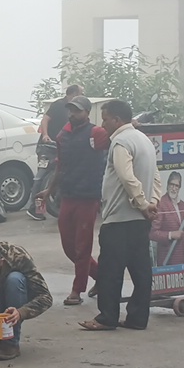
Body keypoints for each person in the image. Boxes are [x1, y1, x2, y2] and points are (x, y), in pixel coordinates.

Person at [83, 100, 159, 330]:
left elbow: (126, 177)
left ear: (117, 119)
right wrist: (151, 203)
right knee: (141, 271)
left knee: (110, 272)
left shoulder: (120, 141)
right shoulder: (144, 140)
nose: (103, 124)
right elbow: (156, 177)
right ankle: (137, 318)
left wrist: (143, 203)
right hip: (140, 220)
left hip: (119, 218)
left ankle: (107, 317)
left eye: (105, 118)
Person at [42, 95, 107, 303]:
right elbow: (60, 165)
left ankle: (77, 291)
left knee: (83, 245)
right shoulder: (63, 135)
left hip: (88, 197)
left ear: (87, 113)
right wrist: (49, 190)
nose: (72, 114)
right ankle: (101, 277)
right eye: (70, 110)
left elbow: (116, 147)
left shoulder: (97, 133)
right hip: (68, 195)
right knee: (69, 246)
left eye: (77, 110)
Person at [29, 83, 84, 220]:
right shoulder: (59, 105)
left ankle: (59, 204)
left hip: (60, 146)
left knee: (60, 174)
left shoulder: (72, 110)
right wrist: (45, 135)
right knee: (41, 176)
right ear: (73, 94)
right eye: (81, 93)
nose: (82, 96)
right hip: (47, 147)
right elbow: (45, 119)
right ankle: (34, 208)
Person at [150, 171, 184, 266]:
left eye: (176, 186)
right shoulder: (160, 204)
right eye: (171, 185)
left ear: (179, 188)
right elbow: (152, 234)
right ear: (167, 185)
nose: (174, 188)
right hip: (168, 262)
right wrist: (170, 235)